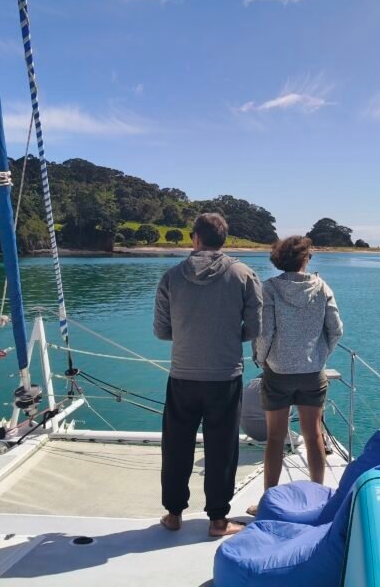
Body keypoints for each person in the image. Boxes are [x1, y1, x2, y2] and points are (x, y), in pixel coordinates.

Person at [154, 213, 262, 537]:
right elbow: (256, 327)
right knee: (222, 448)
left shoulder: (171, 277)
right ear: (224, 240)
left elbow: (161, 330)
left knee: (176, 446)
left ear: (195, 238)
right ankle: (217, 520)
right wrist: (227, 335)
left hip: (183, 375)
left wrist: (189, 333)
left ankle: (173, 515)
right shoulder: (244, 275)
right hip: (225, 375)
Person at [254, 235, 343, 499]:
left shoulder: (269, 289)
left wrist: (262, 359)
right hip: (312, 373)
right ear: (305, 259)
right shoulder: (322, 288)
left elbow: (264, 333)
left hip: (277, 372)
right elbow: (336, 330)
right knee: (314, 435)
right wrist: (320, 355)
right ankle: (318, 495)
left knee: (275, 438)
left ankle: (269, 499)